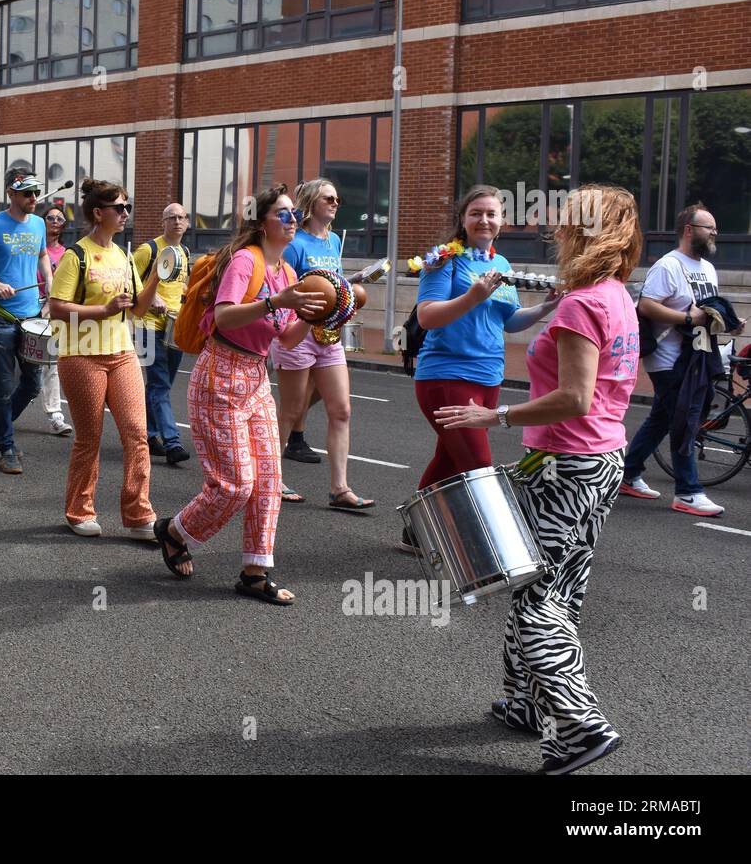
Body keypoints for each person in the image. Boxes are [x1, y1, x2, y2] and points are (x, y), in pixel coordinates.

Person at [434, 184, 641, 774]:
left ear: (583, 231)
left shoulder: (582, 304)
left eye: (566, 222)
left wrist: (492, 414)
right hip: (600, 460)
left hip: (567, 462)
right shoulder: (614, 295)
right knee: (560, 589)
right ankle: (526, 705)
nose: (556, 230)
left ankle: (580, 727)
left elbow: (574, 398)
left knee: (535, 601)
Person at [151, 185, 327, 605]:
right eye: (283, 214)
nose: (292, 221)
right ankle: (173, 532)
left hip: (256, 378)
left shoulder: (285, 272)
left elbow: (285, 336)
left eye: (295, 216)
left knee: (269, 479)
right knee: (235, 485)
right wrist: (274, 303)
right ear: (261, 221)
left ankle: (254, 572)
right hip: (221, 375)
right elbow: (225, 318)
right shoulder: (244, 261)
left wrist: (320, 314)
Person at [409, 185, 559, 550]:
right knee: (478, 462)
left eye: (492, 214)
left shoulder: (501, 264)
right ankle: (496, 548)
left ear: (502, 221)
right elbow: (427, 317)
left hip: (489, 376)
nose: (484, 220)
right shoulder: (443, 259)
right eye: (476, 213)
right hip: (445, 375)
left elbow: (509, 321)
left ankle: (416, 531)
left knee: (450, 456)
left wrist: (544, 309)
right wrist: (472, 296)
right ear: (463, 219)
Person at [50, 179, 162, 538]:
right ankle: (79, 510)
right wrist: (103, 309)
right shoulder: (76, 255)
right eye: (119, 208)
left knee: (137, 433)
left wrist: (156, 280)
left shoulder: (124, 254)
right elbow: (56, 308)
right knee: (90, 437)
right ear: (99, 213)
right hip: (82, 356)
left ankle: (139, 513)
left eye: (127, 207)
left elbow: (138, 310)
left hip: (123, 352)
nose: (125, 214)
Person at [619, 204, 727, 516]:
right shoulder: (668, 266)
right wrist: (686, 318)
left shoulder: (707, 268)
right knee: (685, 421)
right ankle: (687, 491)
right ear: (689, 230)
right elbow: (647, 306)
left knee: (662, 419)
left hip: (697, 357)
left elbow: (706, 309)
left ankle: (629, 472)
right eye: (709, 227)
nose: (715, 233)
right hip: (669, 360)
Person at [272, 179, 372, 510]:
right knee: (291, 410)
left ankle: (340, 489)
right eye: (329, 198)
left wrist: (349, 292)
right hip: (299, 333)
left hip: (328, 335)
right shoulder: (296, 244)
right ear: (312, 202)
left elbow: (332, 287)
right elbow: (284, 288)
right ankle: (271, 480)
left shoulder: (332, 243)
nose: (335, 203)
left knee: (341, 409)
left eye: (338, 199)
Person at [0, 167, 53, 474]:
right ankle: (7, 446)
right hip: (2, 318)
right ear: (11, 194)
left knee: (32, 385)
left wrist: (50, 282)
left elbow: (42, 255)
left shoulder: (39, 224)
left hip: (31, 314)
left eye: (36, 192)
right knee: (3, 386)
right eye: (27, 193)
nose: (33, 198)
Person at [132, 202, 191, 466]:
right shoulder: (149, 250)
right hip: (147, 325)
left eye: (181, 217)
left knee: (161, 384)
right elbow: (129, 279)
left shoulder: (185, 252)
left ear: (187, 223)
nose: (177, 221)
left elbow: (182, 287)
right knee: (159, 384)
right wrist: (152, 295)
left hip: (174, 326)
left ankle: (146, 433)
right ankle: (172, 442)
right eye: (171, 217)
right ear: (163, 222)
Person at [38, 202, 72, 437]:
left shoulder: (67, 253)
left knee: (51, 363)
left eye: (60, 219)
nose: (56, 222)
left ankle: (55, 415)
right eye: (51, 218)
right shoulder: (34, 248)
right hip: (30, 307)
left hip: (54, 311)